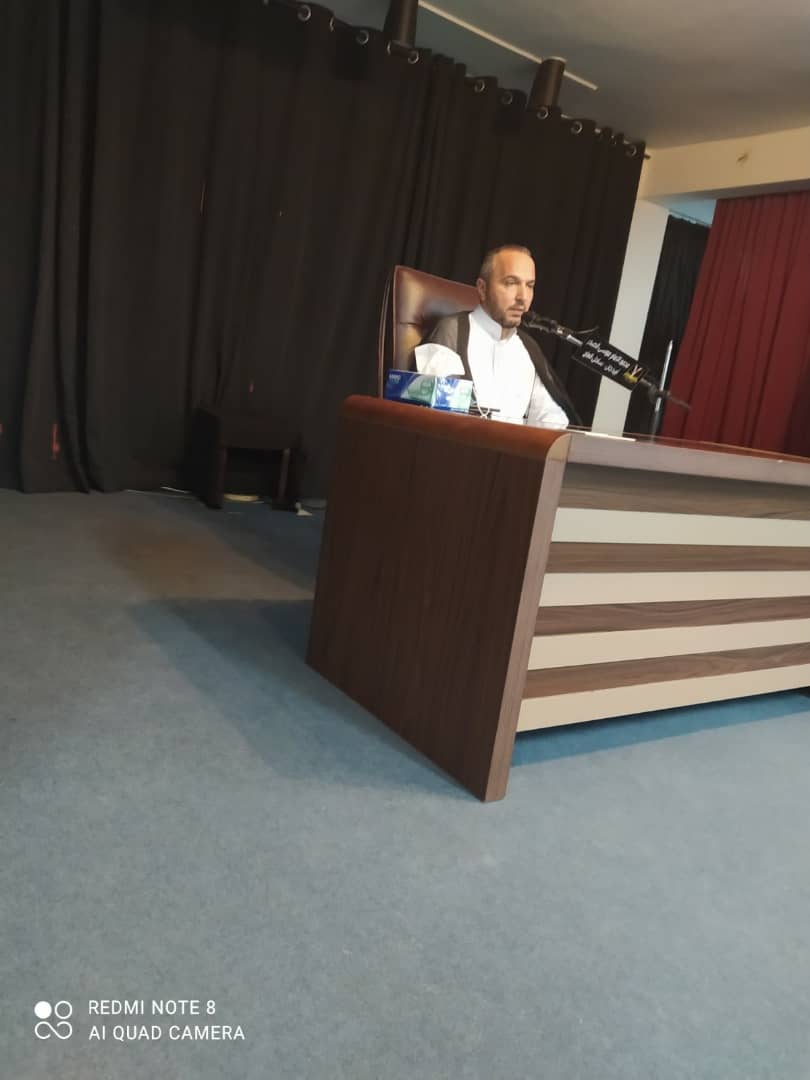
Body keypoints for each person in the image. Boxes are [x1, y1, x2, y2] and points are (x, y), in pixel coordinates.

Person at [413, 245, 581, 427]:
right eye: (511, 283)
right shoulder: (451, 332)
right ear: (482, 288)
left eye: (529, 286)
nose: (523, 297)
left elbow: (550, 419)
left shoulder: (529, 349)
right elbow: (436, 417)